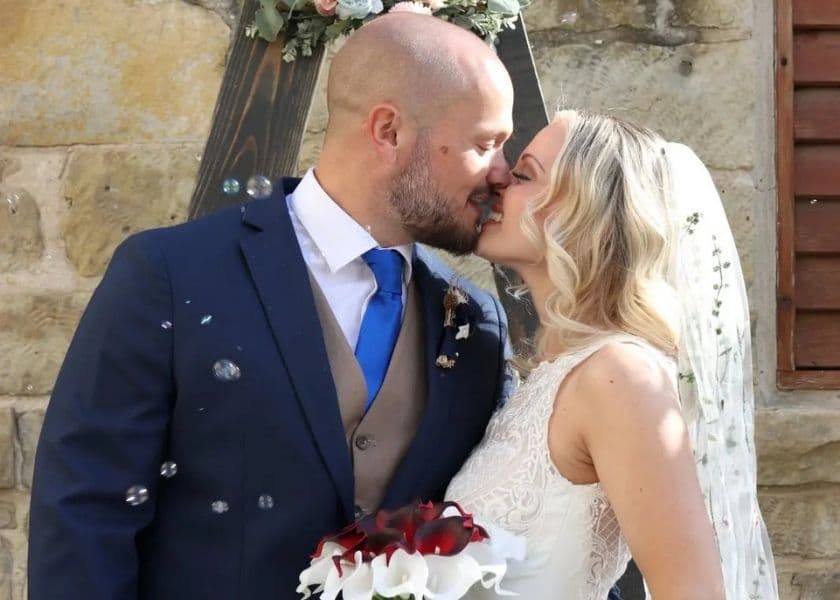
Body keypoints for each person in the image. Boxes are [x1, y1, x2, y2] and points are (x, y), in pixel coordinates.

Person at [28, 15, 517, 599]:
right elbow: (85, 513)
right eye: (484, 143)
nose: (501, 173)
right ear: (388, 131)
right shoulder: (170, 273)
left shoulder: (473, 322)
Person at [447, 110, 779, 599]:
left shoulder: (619, 376)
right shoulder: (553, 375)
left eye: (524, 175)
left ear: (585, 214)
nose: (497, 184)